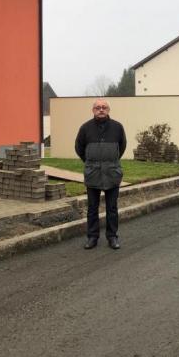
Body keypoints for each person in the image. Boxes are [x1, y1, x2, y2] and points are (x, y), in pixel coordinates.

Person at [75, 98, 127, 250]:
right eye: (98, 107)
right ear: (93, 110)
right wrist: (90, 163)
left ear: (108, 110)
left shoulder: (118, 127)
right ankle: (92, 237)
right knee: (92, 208)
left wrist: (110, 162)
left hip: (112, 173)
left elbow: (122, 147)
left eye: (104, 107)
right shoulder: (85, 128)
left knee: (112, 208)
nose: (101, 109)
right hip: (93, 173)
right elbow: (79, 147)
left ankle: (112, 237)